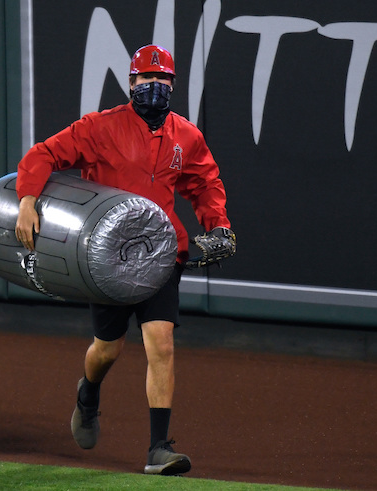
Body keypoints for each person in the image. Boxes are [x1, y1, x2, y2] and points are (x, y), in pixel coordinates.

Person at [15, 44, 233, 475]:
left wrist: (219, 225)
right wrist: (27, 200)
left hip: (161, 252)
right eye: (147, 78)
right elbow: (44, 154)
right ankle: (88, 392)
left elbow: (205, 183)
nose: (155, 85)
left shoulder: (185, 135)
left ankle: (158, 449)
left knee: (161, 343)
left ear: (173, 84)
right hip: (107, 258)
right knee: (107, 349)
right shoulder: (100, 128)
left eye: (164, 79)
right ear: (131, 83)